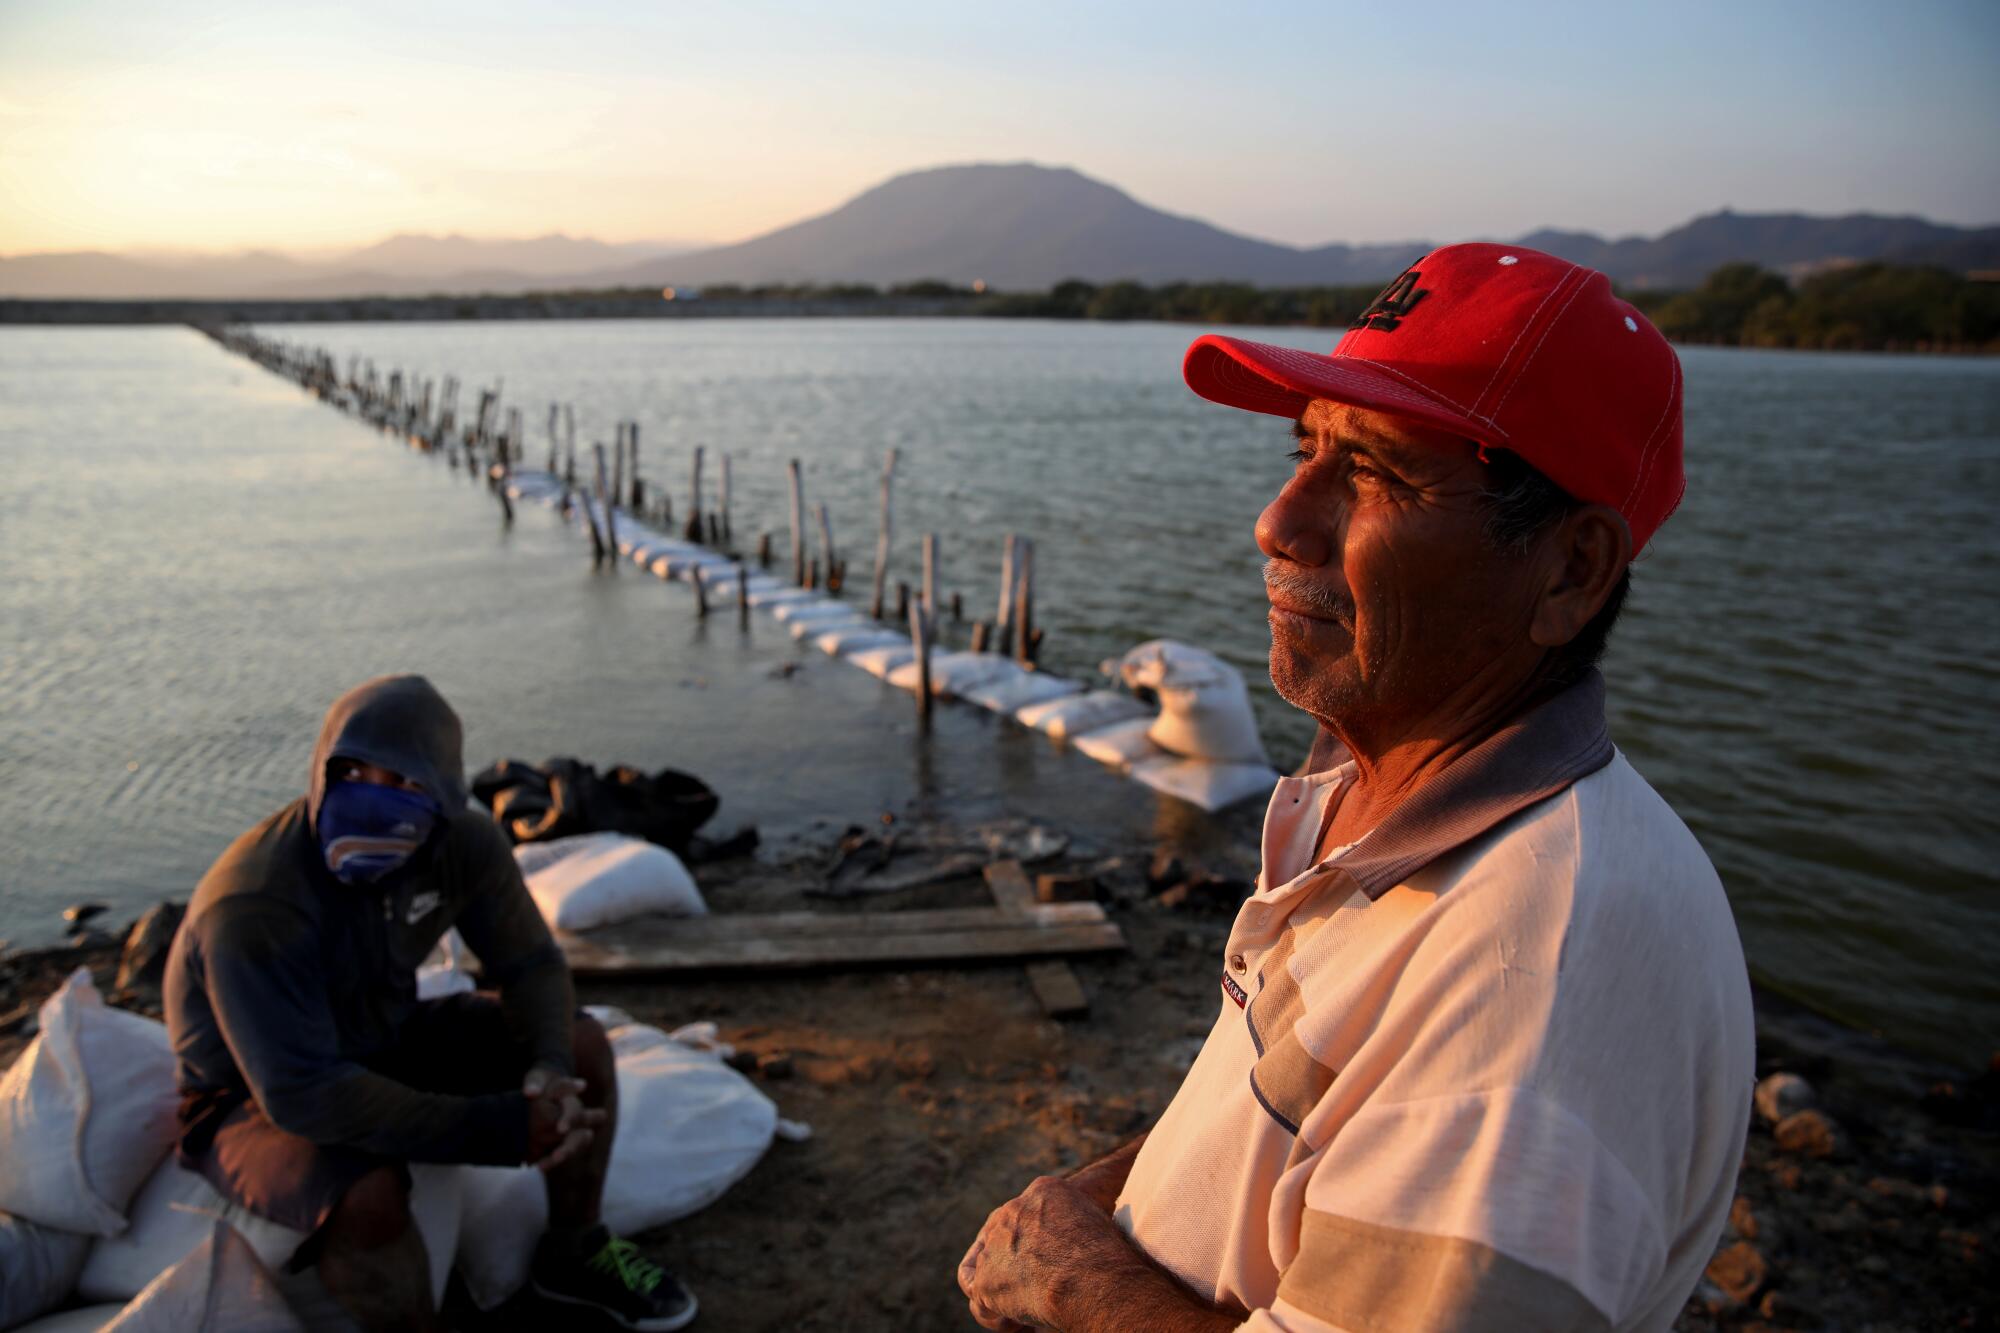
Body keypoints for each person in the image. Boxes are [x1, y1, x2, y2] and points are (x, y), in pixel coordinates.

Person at [958, 244, 1755, 1332]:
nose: (1278, 524)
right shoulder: (1376, 791)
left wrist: (1078, 1283)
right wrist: (1098, 1202)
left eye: (1376, 473)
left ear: (1569, 569)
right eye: (1304, 451)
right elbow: (1306, 1107)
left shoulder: (1534, 975)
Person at [164, 674, 696, 1332]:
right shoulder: (255, 902)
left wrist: (549, 1066)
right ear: (320, 768)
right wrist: (503, 1127)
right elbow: (302, 1092)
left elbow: (529, 963)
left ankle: (574, 1251)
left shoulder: (462, 846)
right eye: (353, 773)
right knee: (368, 1196)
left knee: (584, 1046)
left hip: (387, 1032)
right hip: (251, 1093)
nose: (372, 800)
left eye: (402, 783)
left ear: (442, 791)